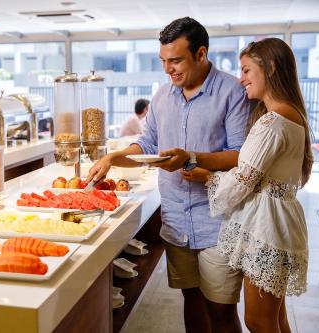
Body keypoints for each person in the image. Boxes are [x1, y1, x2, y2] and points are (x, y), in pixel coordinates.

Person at [88, 17, 251, 333]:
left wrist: (191, 158)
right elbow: (147, 144)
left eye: (176, 60)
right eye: (164, 61)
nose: (168, 69)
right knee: (191, 299)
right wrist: (114, 157)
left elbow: (242, 154)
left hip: (218, 220)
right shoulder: (162, 96)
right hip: (176, 219)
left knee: (220, 310)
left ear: (201, 54)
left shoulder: (231, 91)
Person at [184, 38, 311, 333]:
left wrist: (207, 177)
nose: (241, 79)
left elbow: (243, 179)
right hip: (282, 223)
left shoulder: (272, 123)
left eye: (246, 70)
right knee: (276, 320)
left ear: (270, 68)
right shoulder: (293, 116)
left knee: (259, 320)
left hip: (266, 227)